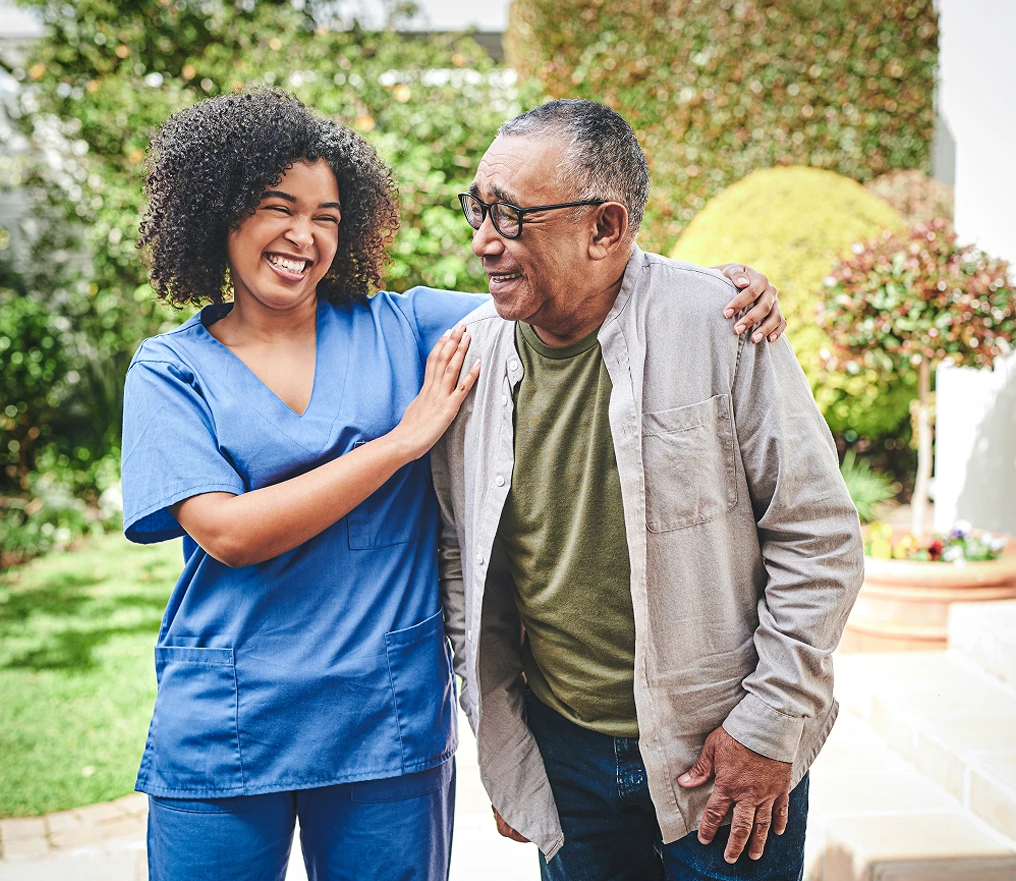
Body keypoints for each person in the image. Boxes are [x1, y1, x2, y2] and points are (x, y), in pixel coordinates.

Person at [121, 89, 784, 881]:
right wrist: (402, 442)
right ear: (221, 213)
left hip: (384, 726)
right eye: (278, 208)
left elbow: (574, 281)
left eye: (327, 216)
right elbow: (228, 533)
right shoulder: (170, 371)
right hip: (227, 728)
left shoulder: (410, 328)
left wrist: (714, 289)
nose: (304, 235)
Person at [432, 99, 865, 881]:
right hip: (563, 756)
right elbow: (462, 560)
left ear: (606, 227)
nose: (483, 240)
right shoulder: (470, 358)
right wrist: (506, 745)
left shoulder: (722, 323)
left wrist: (769, 723)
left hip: (724, 752)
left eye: (511, 216)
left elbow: (818, 537)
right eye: (479, 208)